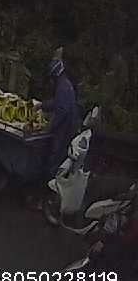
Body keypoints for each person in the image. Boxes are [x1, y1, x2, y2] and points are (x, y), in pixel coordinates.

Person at [40, 48, 81, 181]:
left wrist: (50, 126)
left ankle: (49, 184)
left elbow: (61, 110)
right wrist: (42, 105)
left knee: (56, 154)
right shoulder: (65, 84)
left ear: (55, 76)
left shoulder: (62, 86)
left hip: (65, 126)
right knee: (58, 154)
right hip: (69, 124)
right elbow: (57, 102)